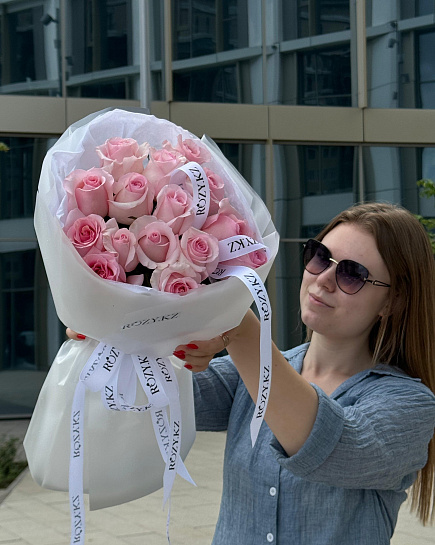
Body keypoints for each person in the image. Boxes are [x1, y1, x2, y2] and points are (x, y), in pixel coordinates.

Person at [68, 202, 435, 545]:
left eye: (352, 274)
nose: (323, 279)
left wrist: (237, 325)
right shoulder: (253, 372)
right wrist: (116, 321)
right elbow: (158, 393)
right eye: (321, 257)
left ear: (393, 300)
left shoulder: (411, 406)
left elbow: (330, 446)